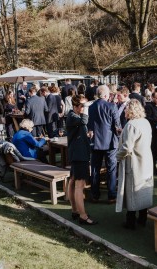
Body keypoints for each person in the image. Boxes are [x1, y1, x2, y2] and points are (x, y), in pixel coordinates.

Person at [115, 99, 154, 230]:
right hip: (146, 161)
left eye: (126, 108)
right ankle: (142, 219)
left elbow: (127, 147)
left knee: (132, 191)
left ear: (131, 110)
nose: (124, 110)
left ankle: (130, 222)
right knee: (142, 190)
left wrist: (117, 157)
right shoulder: (145, 122)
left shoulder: (131, 125)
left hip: (135, 163)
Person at [66, 95, 97, 225]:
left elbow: (81, 126)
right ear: (76, 106)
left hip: (77, 153)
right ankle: (83, 216)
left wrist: (87, 134)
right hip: (79, 155)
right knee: (79, 185)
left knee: (73, 180)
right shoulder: (72, 115)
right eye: (83, 106)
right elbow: (83, 121)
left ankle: (75, 210)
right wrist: (86, 110)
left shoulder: (74, 116)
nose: (84, 108)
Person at [87, 84, 121, 203]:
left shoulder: (91, 107)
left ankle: (95, 194)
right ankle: (111, 195)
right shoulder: (112, 106)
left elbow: (90, 125)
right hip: (110, 142)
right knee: (111, 169)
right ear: (106, 95)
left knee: (95, 169)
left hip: (96, 142)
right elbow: (117, 125)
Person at [144, 92, 157, 175]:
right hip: (152, 132)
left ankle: (153, 166)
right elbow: (147, 118)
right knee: (153, 151)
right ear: (152, 97)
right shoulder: (148, 106)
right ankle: (152, 168)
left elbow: (156, 117)